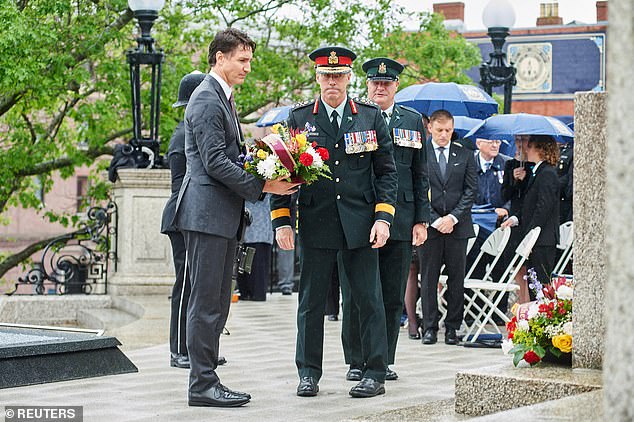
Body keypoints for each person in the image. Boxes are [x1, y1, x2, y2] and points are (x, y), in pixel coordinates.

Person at [173, 28, 298, 408]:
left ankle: (207, 380)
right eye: (241, 60)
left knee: (218, 303)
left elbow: (230, 156)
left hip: (221, 215)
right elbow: (213, 163)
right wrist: (264, 186)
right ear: (219, 58)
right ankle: (202, 385)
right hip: (207, 214)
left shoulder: (221, 97)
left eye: (249, 60)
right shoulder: (207, 99)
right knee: (207, 302)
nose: (247, 67)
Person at [271, 46, 398, 398]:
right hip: (317, 222)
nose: (332, 82)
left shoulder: (369, 117)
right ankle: (308, 372)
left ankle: (374, 372)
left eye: (339, 76)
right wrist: (282, 221)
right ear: (317, 77)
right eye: (326, 76)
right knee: (311, 303)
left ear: (349, 78)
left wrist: (383, 219)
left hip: (361, 224)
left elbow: (387, 173)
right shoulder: (298, 119)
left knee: (368, 300)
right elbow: (281, 173)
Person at [341, 57, 430, 382]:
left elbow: (421, 173)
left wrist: (422, 218)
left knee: (392, 294)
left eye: (387, 83)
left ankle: (384, 359)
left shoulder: (412, 120)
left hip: (403, 220)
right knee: (356, 294)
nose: (381, 87)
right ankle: (356, 359)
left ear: (396, 86)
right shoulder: (355, 117)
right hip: (362, 219)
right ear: (367, 85)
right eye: (375, 83)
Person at [417, 109, 478, 346]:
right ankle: (429, 327)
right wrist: (434, 219)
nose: (444, 135)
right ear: (430, 128)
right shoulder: (420, 154)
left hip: (457, 227)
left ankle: (453, 327)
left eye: (449, 131)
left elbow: (471, 190)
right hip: (429, 228)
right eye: (440, 130)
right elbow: (418, 189)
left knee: (456, 279)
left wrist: (452, 218)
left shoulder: (465, 154)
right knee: (429, 278)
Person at [161, 71, 205, 370]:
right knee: (186, 282)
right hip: (183, 214)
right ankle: (178, 348)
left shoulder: (189, 131)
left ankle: (197, 347)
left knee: (199, 284)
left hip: (195, 212)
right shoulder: (182, 135)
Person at [501, 134, 560, 290]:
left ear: (539, 149)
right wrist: (514, 219)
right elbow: (529, 204)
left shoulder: (547, 173)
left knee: (541, 284)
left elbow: (543, 208)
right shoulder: (538, 172)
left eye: (529, 146)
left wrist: (530, 235)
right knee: (534, 285)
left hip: (542, 239)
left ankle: (548, 313)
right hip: (537, 238)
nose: (526, 150)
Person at [500, 135, 533, 303]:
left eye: (524, 141)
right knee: (518, 265)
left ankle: (527, 302)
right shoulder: (510, 164)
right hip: (514, 215)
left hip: (528, 216)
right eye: (518, 141)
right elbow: (504, 194)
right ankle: (522, 301)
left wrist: (525, 178)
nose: (520, 144)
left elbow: (532, 193)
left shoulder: (534, 165)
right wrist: (514, 179)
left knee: (529, 266)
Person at [236, 194, 273, 301]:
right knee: (241, 258)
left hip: (261, 224)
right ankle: (245, 292)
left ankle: (257, 293)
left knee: (258, 261)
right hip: (244, 219)